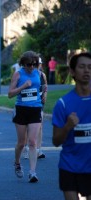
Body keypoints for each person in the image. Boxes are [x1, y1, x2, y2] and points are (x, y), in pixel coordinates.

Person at [52, 52, 91, 200]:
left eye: (90, 67)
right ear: (73, 71)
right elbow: (56, 141)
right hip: (70, 166)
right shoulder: (63, 104)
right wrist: (68, 126)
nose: (87, 70)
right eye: (82, 67)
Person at [8, 51, 43, 183]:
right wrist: (23, 86)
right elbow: (10, 94)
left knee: (32, 142)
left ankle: (32, 172)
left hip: (35, 109)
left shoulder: (38, 73)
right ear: (23, 64)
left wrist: (43, 94)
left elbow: (42, 87)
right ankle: (17, 163)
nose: (32, 67)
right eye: (29, 64)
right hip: (21, 110)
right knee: (21, 143)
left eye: (35, 64)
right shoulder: (18, 74)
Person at [22, 57, 47, 159]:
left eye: (38, 64)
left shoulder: (42, 75)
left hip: (38, 104)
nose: (37, 66)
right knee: (28, 128)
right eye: (35, 64)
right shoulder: (25, 75)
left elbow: (45, 87)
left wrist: (45, 95)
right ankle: (26, 149)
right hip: (26, 104)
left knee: (39, 126)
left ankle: (38, 150)